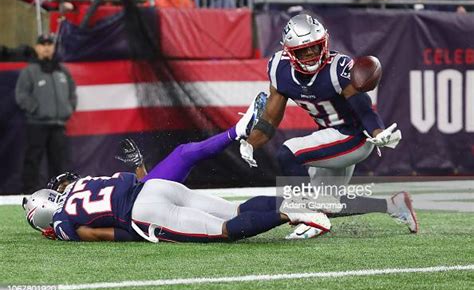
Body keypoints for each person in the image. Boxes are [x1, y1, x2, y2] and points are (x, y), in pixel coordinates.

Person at [22, 93, 334, 243]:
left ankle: (289, 213)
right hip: (155, 189)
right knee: (235, 210)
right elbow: (135, 183)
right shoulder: (87, 182)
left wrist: (132, 235)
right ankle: (295, 204)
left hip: (143, 212)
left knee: (223, 232)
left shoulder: (63, 221)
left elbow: (97, 233)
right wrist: (139, 166)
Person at [239, 14, 417, 239]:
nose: (312, 54)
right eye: (305, 50)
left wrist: (379, 132)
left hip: (355, 138)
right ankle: (393, 205)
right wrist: (250, 143)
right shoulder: (279, 68)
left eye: (316, 47)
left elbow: (364, 109)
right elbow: (271, 118)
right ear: (290, 52)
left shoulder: (338, 67)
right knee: (325, 202)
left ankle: (307, 216)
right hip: (331, 137)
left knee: (288, 152)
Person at [15, 33, 77, 194]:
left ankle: (58, 192)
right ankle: (29, 191)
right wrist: (36, 109)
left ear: (53, 47)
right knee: (33, 159)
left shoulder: (62, 71)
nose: (47, 47)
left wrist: (68, 109)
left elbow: (72, 93)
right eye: (43, 44)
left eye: (50, 44)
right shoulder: (30, 71)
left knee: (58, 161)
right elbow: (21, 95)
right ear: (37, 47)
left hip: (58, 124)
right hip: (37, 124)